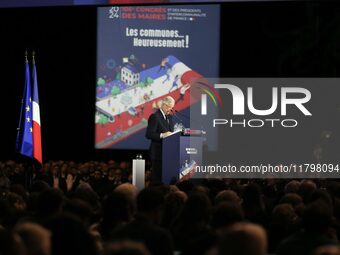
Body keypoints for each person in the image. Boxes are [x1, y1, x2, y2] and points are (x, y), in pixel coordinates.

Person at [145, 96, 175, 185]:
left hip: (168, 153)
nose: (171, 110)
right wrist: (163, 135)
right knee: (157, 179)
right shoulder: (155, 116)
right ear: (164, 105)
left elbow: (171, 131)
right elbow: (149, 134)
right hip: (158, 153)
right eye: (170, 107)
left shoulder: (169, 117)